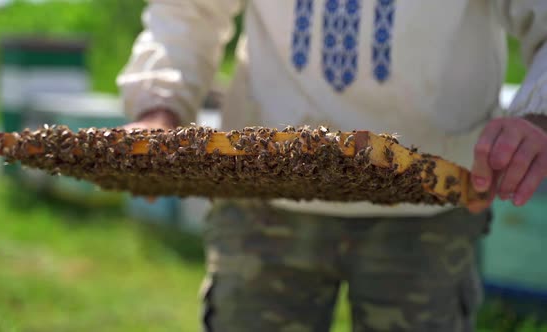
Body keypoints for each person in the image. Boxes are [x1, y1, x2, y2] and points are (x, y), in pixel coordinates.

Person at [117, 1, 547, 331]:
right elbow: (187, 12)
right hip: (264, 193)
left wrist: (538, 115)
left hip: (431, 205)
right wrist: (160, 106)